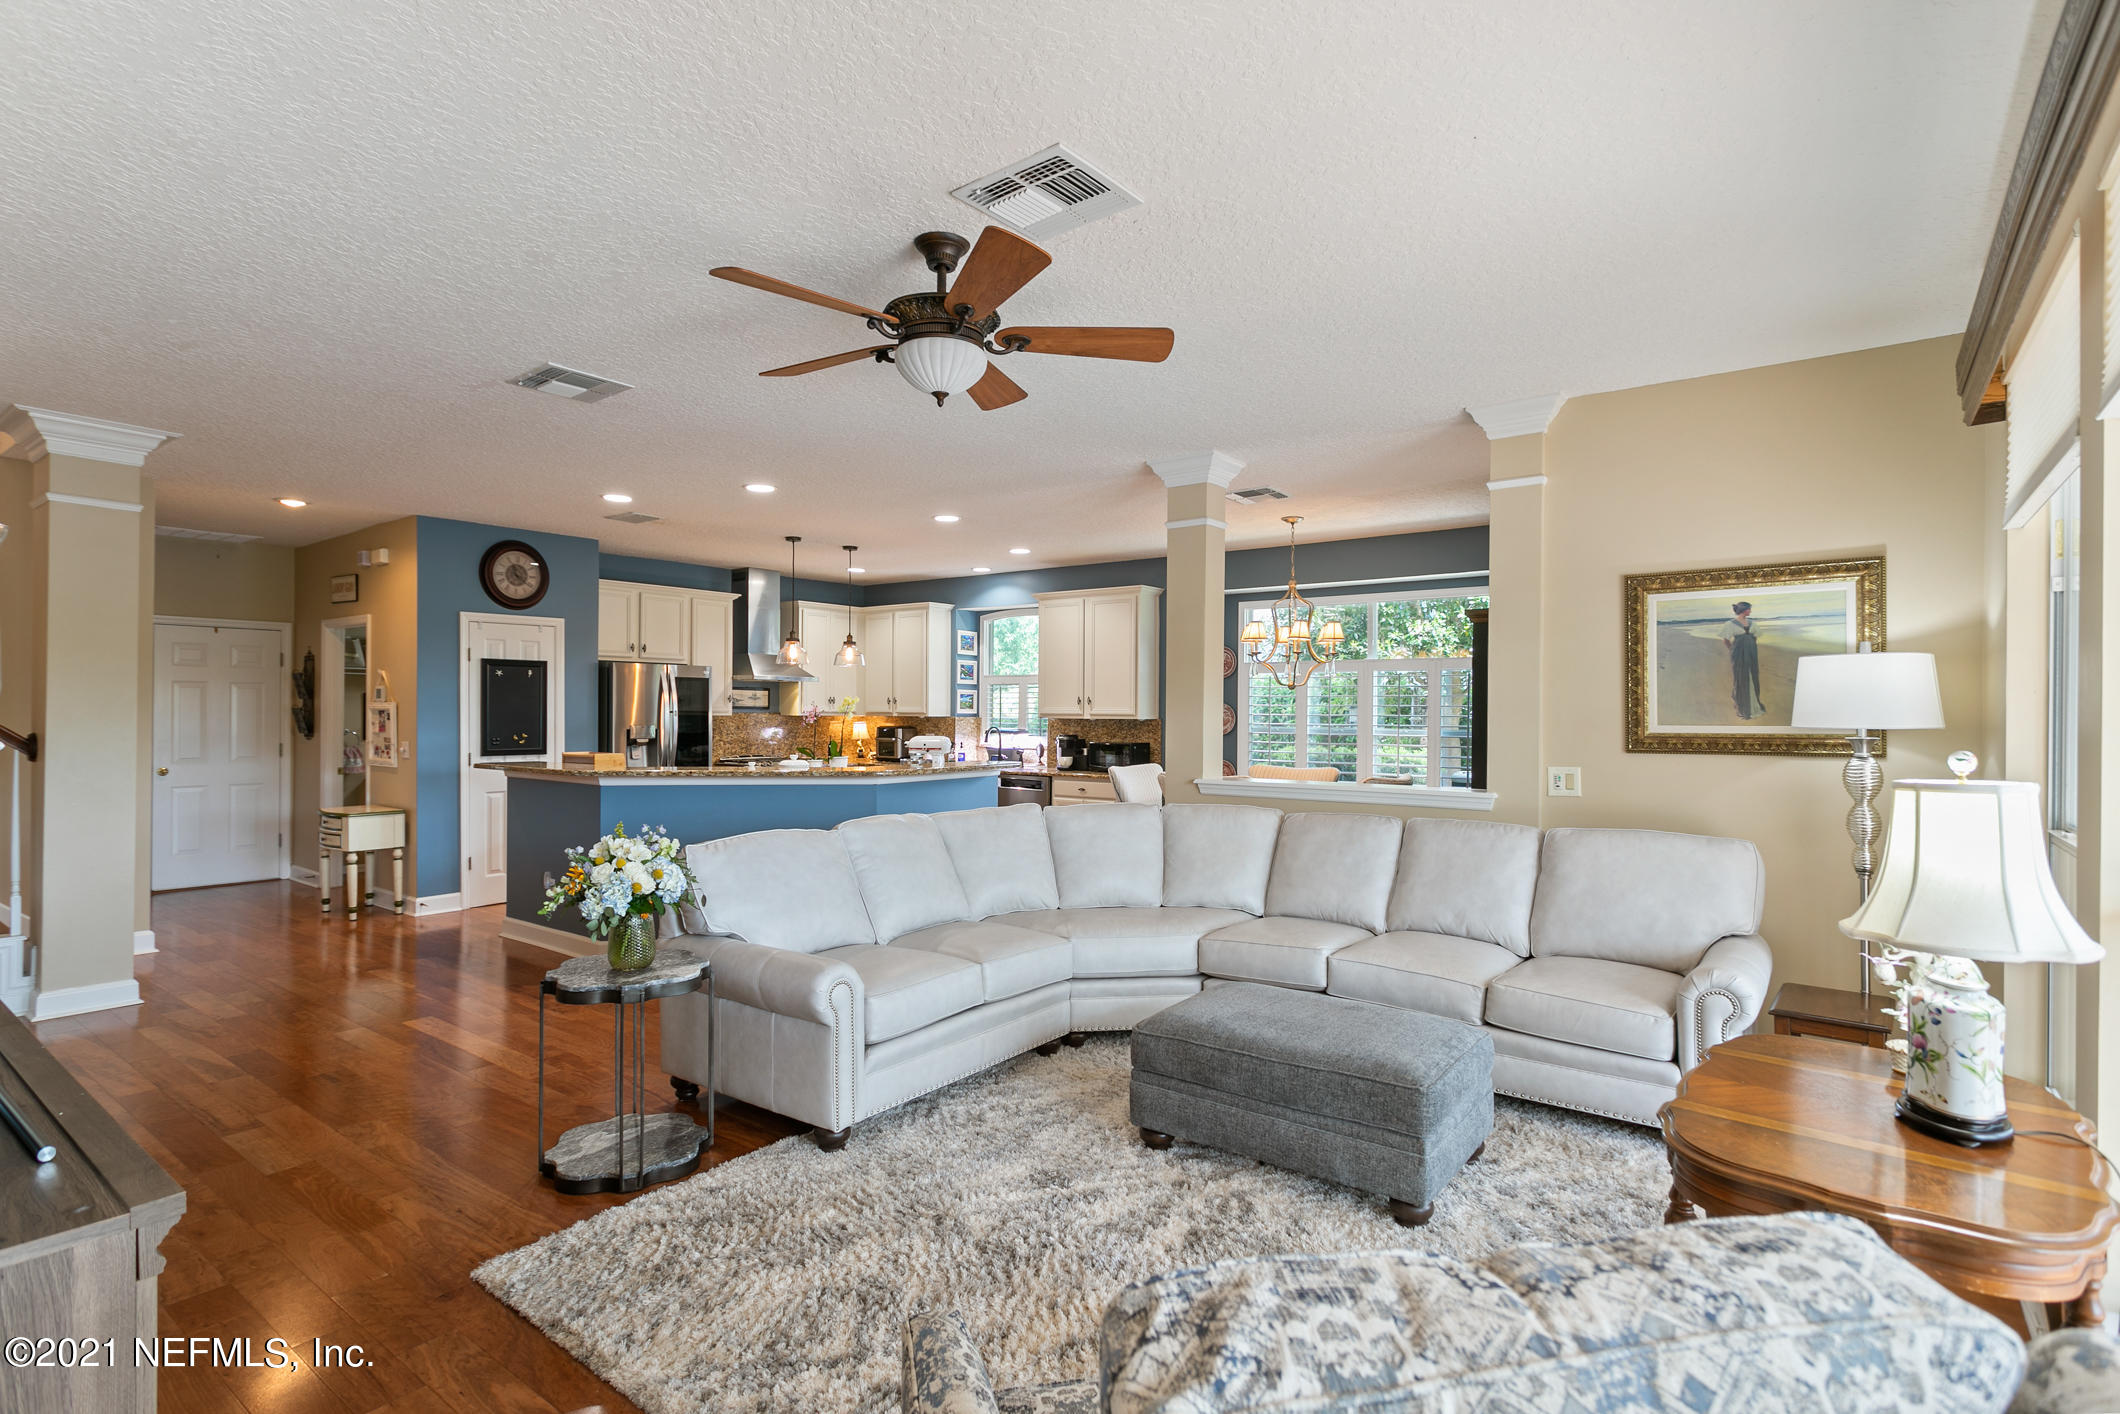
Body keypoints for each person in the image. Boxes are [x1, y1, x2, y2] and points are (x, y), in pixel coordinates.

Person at [1719, 601, 1763, 720]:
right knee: (1740, 678)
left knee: (1752, 676)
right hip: (1738, 654)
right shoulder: (1730, 624)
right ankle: (1742, 707)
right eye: (1749, 609)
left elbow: (1755, 637)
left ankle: (1754, 705)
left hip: (1751, 654)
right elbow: (1725, 640)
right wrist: (1732, 651)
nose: (1751, 611)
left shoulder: (1752, 623)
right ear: (1744, 610)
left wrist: (1750, 647)